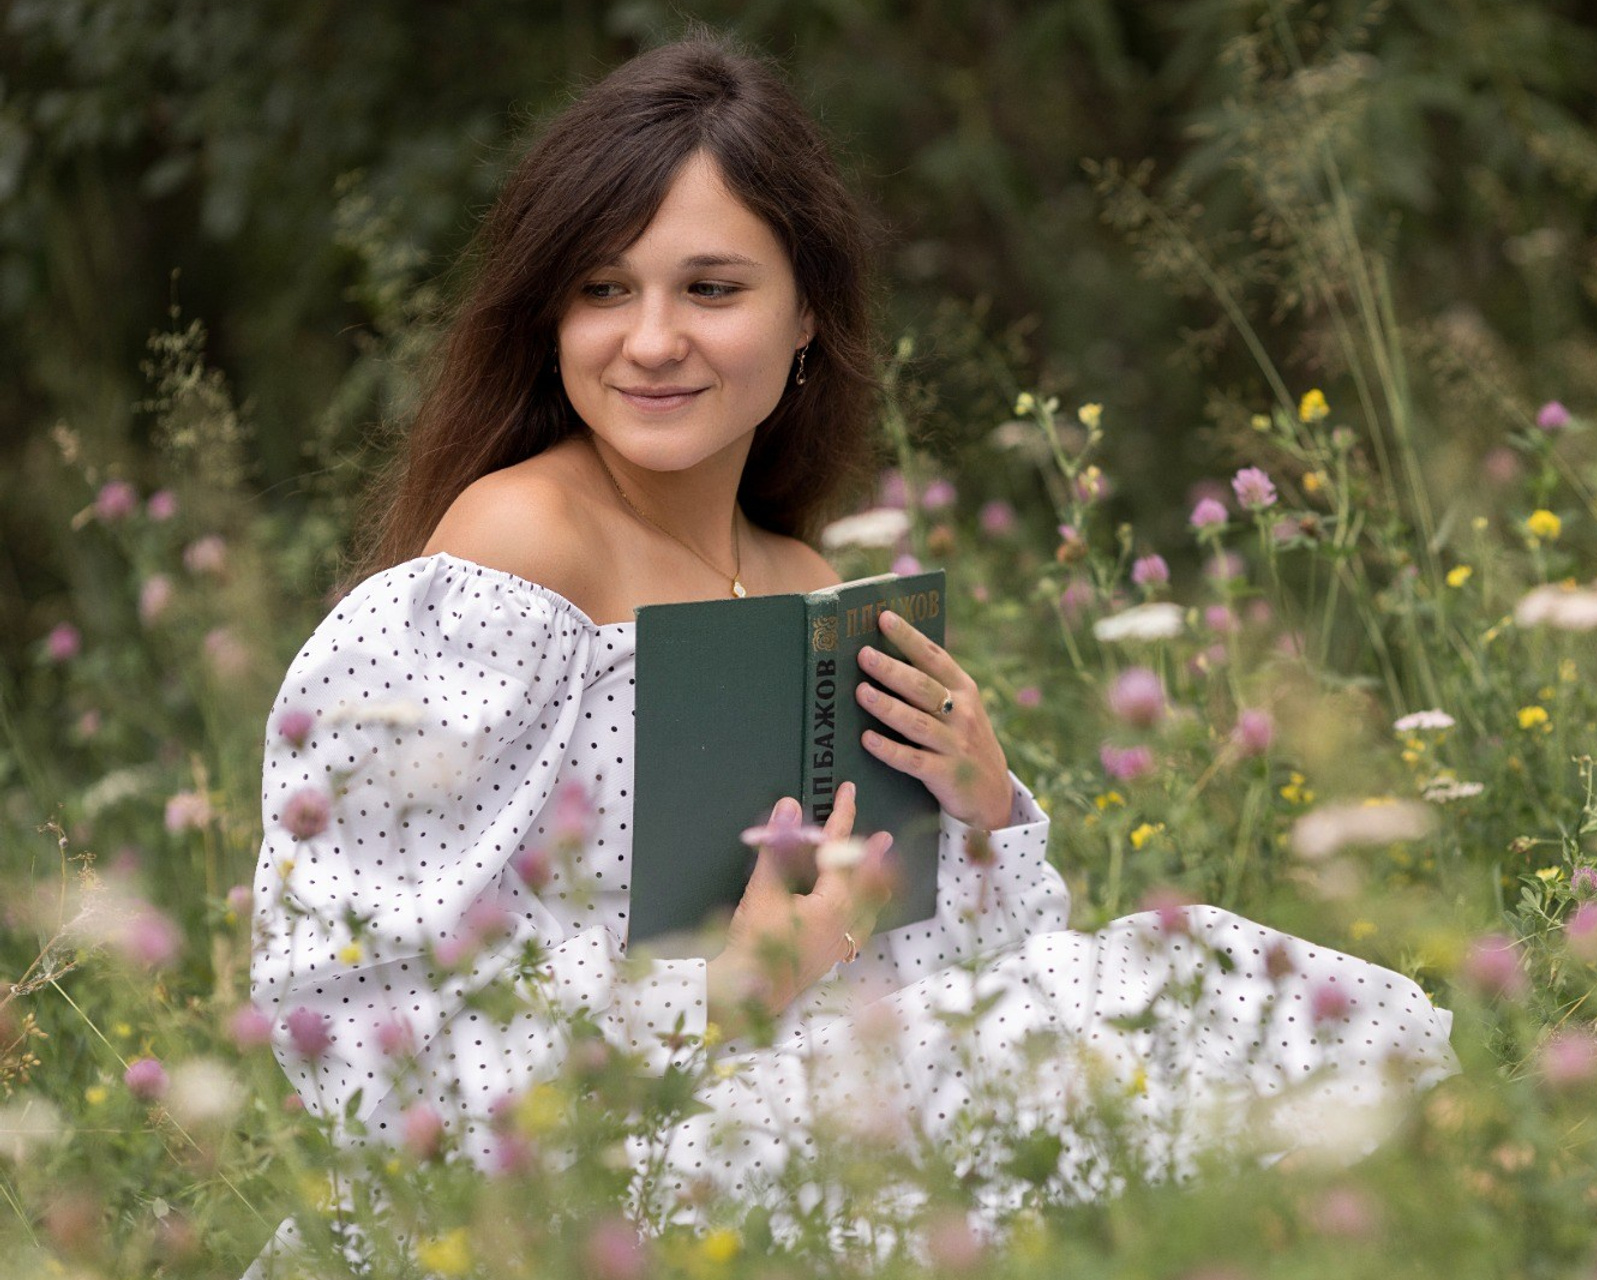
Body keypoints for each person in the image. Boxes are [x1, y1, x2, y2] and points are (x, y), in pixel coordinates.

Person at [247, 31, 1455, 1269]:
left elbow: (952, 963)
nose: (650, 338)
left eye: (711, 288)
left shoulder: (805, 584)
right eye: (605, 288)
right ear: (549, 315)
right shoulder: (518, 544)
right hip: (597, 1146)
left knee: (1220, 988)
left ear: (807, 313)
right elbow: (353, 987)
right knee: (1026, 1074)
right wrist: (732, 986)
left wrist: (979, 806)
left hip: (809, 1072)